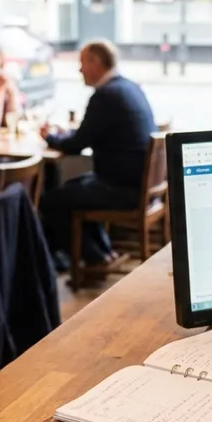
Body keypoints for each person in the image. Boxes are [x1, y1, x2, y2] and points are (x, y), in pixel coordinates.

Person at [38, 40, 156, 271]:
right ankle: (103, 252)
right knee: (73, 188)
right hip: (139, 186)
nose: (79, 70)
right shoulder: (128, 87)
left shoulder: (105, 96)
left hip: (121, 189)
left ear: (95, 62)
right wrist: (64, 135)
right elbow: (88, 133)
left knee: (50, 202)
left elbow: (75, 145)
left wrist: (49, 137)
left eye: (82, 63)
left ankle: (92, 257)